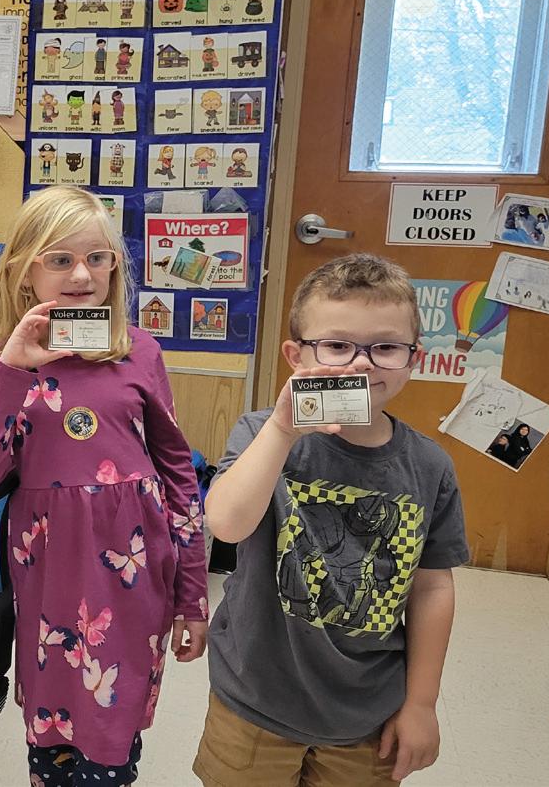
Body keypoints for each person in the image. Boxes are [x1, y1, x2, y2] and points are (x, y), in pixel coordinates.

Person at [0, 186, 208, 786]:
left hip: (132, 570)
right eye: (60, 259)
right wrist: (16, 366)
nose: (81, 274)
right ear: (24, 271)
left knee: (113, 728)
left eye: (97, 258)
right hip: (50, 573)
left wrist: (192, 595)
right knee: (53, 730)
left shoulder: (139, 352)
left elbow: (178, 473)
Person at [196, 253, 468, 786]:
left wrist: (422, 704)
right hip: (253, 698)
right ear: (296, 355)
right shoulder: (262, 433)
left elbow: (433, 587)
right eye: (338, 346)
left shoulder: (430, 465)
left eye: (385, 347)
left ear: (413, 358)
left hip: (367, 711)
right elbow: (226, 525)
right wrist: (282, 430)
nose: (362, 364)